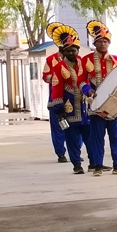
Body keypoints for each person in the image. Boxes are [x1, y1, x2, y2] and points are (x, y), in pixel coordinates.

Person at [46, 25, 92, 175]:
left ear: (78, 50)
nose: (71, 52)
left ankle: (94, 162)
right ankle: (76, 164)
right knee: (71, 138)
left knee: (90, 137)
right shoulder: (58, 66)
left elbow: (88, 80)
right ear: (63, 51)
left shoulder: (84, 63)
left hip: (85, 106)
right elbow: (56, 87)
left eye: (74, 50)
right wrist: (59, 109)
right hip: (68, 107)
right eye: (68, 50)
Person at [82, 21, 117, 176]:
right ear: (94, 43)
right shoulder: (86, 60)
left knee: (116, 137)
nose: (103, 44)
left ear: (109, 43)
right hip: (96, 105)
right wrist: (88, 90)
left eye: (105, 41)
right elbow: (81, 81)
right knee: (97, 138)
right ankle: (98, 166)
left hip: (113, 106)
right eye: (99, 41)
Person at [43, 22, 68, 163]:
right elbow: (45, 77)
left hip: (72, 99)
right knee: (58, 128)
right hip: (55, 100)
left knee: (75, 127)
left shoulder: (76, 60)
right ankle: (61, 153)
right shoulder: (50, 60)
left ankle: (75, 152)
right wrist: (57, 76)